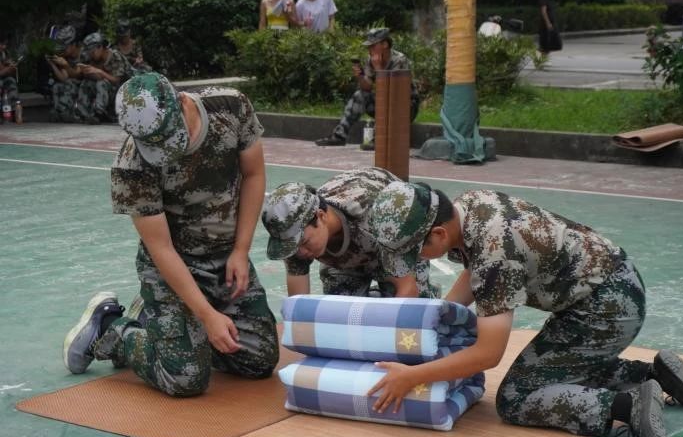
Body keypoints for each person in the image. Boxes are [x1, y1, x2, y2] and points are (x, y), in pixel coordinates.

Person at [365, 183, 683, 437]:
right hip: (607, 287)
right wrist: (442, 314)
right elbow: (475, 271)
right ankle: (652, 375)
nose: (416, 261)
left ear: (438, 233)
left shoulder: (495, 254)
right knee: (552, 369)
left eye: (415, 252)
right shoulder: (469, 206)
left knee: (518, 396)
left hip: (606, 310)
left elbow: (487, 354)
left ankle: (625, 405)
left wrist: (412, 377)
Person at [63, 72, 279, 396]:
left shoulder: (230, 106)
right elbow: (161, 248)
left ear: (182, 102)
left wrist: (241, 250)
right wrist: (207, 316)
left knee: (259, 361)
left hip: (224, 255)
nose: (165, 151)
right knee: (185, 379)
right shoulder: (131, 165)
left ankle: (166, 326)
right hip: (173, 265)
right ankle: (112, 329)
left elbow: (254, 174)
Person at [261, 167, 439, 298]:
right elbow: (298, 303)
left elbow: (406, 289)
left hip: (395, 243)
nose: (301, 252)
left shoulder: (373, 218)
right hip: (347, 260)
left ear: (321, 216)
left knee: (414, 313)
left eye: (305, 243)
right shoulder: (293, 232)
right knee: (340, 314)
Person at [315, 28, 419, 147]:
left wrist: (378, 68)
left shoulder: (399, 60)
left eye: (373, 46)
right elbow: (367, 88)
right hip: (385, 102)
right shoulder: (371, 60)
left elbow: (392, 92)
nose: (369, 50)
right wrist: (360, 76)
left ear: (385, 44)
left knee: (388, 100)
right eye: (368, 47)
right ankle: (339, 136)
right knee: (359, 95)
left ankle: (379, 139)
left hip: (405, 107)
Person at [74, 32, 131, 124]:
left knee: (102, 83)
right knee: (87, 82)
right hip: (106, 91)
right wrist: (87, 72)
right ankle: (83, 113)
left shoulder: (115, 56)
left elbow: (116, 80)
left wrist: (99, 71)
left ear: (100, 47)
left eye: (93, 52)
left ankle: (98, 114)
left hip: (122, 92)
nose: (91, 54)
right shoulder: (92, 58)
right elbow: (94, 77)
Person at [45, 25, 84, 123]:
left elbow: (77, 75)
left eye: (65, 47)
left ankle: (65, 111)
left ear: (73, 45)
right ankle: (57, 111)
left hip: (84, 84)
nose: (62, 50)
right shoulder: (67, 56)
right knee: (57, 86)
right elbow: (64, 77)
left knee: (70, 83)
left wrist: (66, 65)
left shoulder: (83, 53)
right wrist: (52, 64)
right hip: (71, 83)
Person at [0, 33, 20, 115]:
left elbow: (9, 72)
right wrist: (8, 68)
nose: (4, 47)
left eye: (5, 44)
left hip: (4, 77)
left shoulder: (5, 53)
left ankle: (15, 108)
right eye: (2, 44)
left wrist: (11, 66)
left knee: (11, 81)